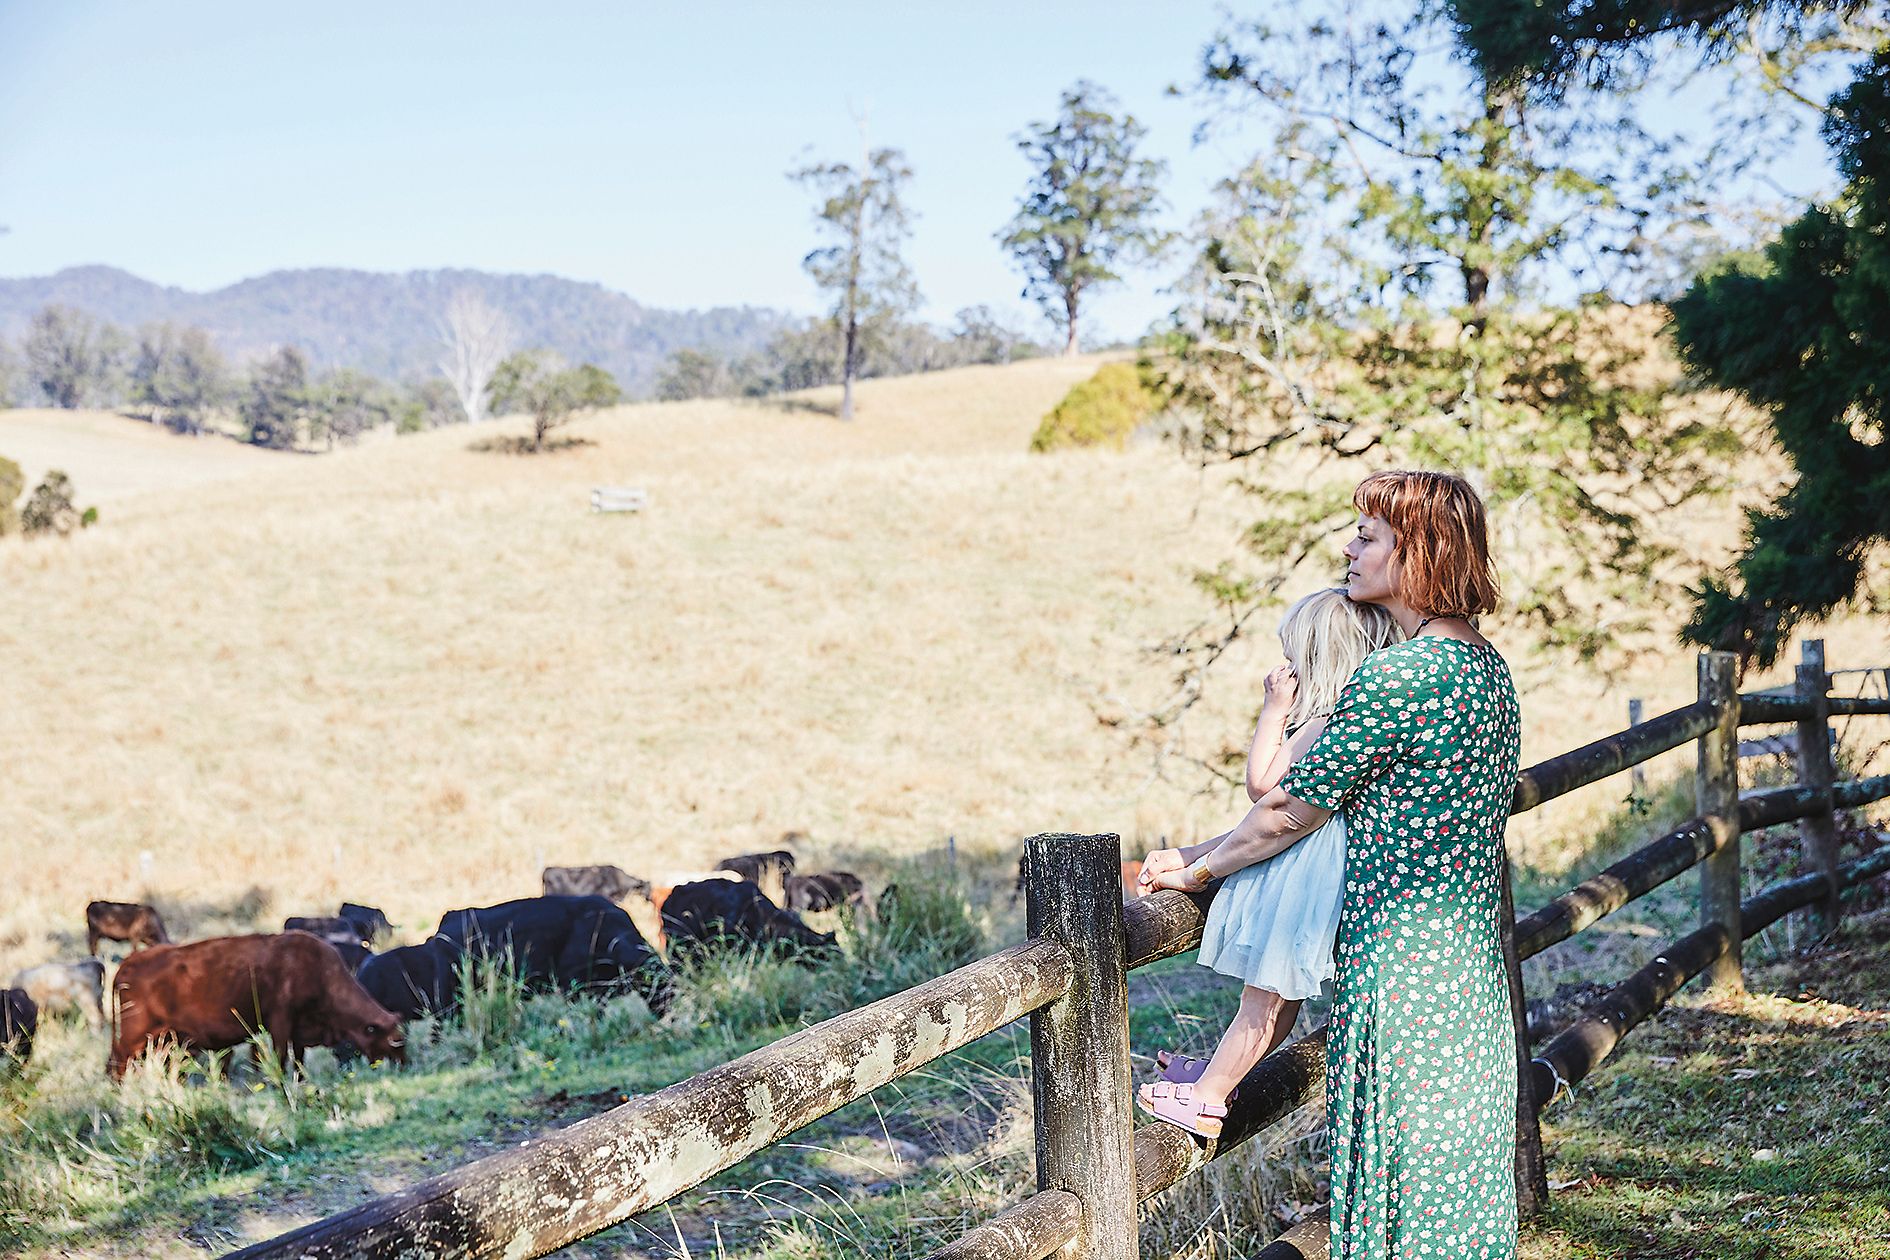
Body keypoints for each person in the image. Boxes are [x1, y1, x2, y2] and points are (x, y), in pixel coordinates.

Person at [1141, 469, 1523, 1260]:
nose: (1350, 546)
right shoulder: (1489, 670)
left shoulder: (1400, 676)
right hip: (1470, 970)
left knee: (1395, 1179)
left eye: (1369, 536)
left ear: (1419, 552)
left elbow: (1287, 809)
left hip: (1402, 972)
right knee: (1454, 1176)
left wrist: (1197, 873)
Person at [1136, 588, 1400, 1138]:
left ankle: (1205, 1100)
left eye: (1292, 655)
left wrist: (1273, 710)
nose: (1285, 668)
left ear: (1316, 660)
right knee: (1277, 1000)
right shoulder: (1358, 719)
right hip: (1324, 877)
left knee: (1263, 1000)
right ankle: (1218, 1077)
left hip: (1298, 882)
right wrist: (1193, 853)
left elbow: (1263, 788)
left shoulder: (1325, 721)